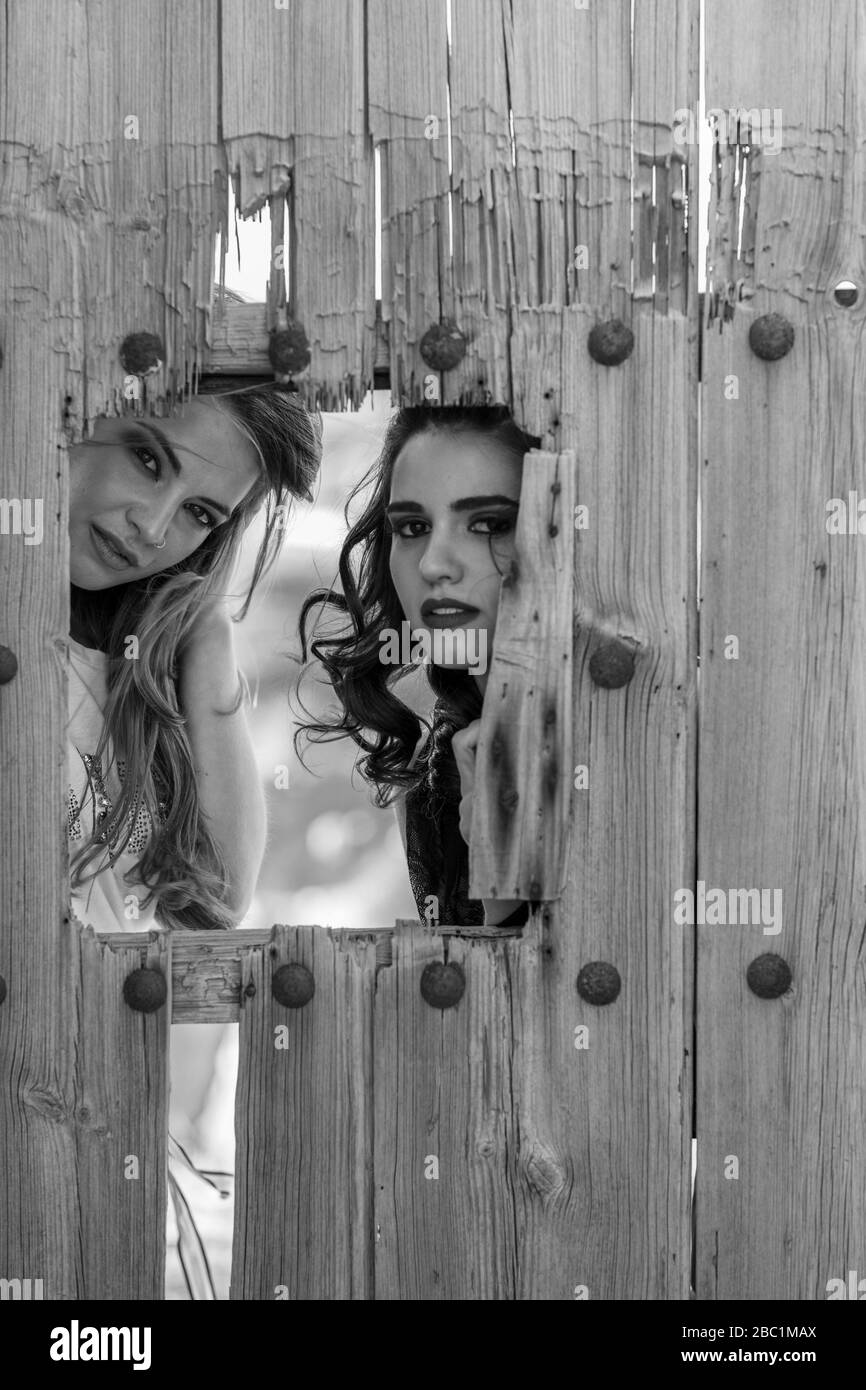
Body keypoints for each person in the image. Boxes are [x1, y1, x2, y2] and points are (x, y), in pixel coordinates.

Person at [68, 383, 321, 933]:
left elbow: (218, 900)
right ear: (76, 416)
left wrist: (206, 622)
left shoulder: (138, 670)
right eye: (147, 459)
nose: (154, 528)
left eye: (200, 514)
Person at [296, 403, 537, 927]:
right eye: (412, 527)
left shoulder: (633, 732)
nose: (433, 563)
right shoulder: (431, 766)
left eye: (488, 523)